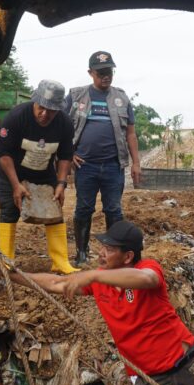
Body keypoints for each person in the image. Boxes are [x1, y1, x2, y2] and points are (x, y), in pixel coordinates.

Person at [3, 220, 194, 385]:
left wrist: (93, 275)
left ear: (128, 256)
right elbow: (56, 283)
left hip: (185, 368)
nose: (101, 253)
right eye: (101, 246)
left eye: (109, 249)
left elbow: (146, 279)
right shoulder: (100, 282)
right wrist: (14, 275)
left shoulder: (147, 268)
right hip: (148, 381)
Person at [65, 51, 141, 266]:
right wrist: (68, 153)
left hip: (113, 167)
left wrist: (136, 163)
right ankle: (81, 253)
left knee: (114, 209)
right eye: (100, 73)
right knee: (83, 208)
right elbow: (61, 126)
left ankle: (114, 254)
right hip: (85, 166)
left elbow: (131, 134)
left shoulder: (121, 98)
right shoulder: (76, 96)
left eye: (109, 71)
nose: (105, 76)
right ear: (90, 73)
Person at [0, 79, 78, 274]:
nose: (44, 114)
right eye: (41, 108)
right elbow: (3, 154)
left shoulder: (65, 123)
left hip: (44, 172)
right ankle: (7, 262)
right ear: (35, 101)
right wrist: (16, 185)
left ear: (59, 109)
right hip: (12, 173)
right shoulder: (16, 117)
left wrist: (60, 183)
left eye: (51, 110)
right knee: (9, 211)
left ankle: (60, 262)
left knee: (55, 211)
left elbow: (66, 155)